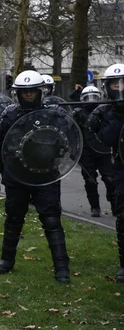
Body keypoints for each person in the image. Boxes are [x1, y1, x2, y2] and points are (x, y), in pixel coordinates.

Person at [0, 70, 71, 283]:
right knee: (14, 219)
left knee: (52, 219)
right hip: (16, 176)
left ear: (40, 91)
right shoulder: (9, 114)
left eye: (32, 92)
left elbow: (65, 142)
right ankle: (7, 260)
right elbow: (1, 146)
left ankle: (62, 267)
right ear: (18, 93)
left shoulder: (53, 114)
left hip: (46, 175)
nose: (28, 95)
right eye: (24, 92)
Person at [87, 63, 124, 283]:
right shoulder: (103, 112)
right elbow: (104, 139)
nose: (119, 87)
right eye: (115, 84)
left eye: (123, 83)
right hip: (121, 168)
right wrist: (117, 115)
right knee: (123, 216)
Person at [72, 86, 115, 217]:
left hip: (103, 150)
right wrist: (75, 151)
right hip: (86, 152)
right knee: (90, 181)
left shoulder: (105, 111)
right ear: (82, 99)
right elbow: (73, 133)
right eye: (87, 98)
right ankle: (95, 207)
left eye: (94, 97)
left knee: (110, 179)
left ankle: (114, 204)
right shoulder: (78, 113)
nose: (91, 101)